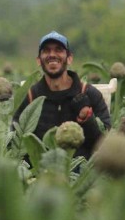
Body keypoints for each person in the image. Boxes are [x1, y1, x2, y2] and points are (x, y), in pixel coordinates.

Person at [12, 31, 111, 160]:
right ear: (38, 60)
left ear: (69, 58)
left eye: (58, 50)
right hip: (41, 174)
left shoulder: (89, 93)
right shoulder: (30, 97)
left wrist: (87, 118)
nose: (52, 55)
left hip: (83, 173)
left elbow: (105, 142)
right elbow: (16, 143)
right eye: (46, 51)